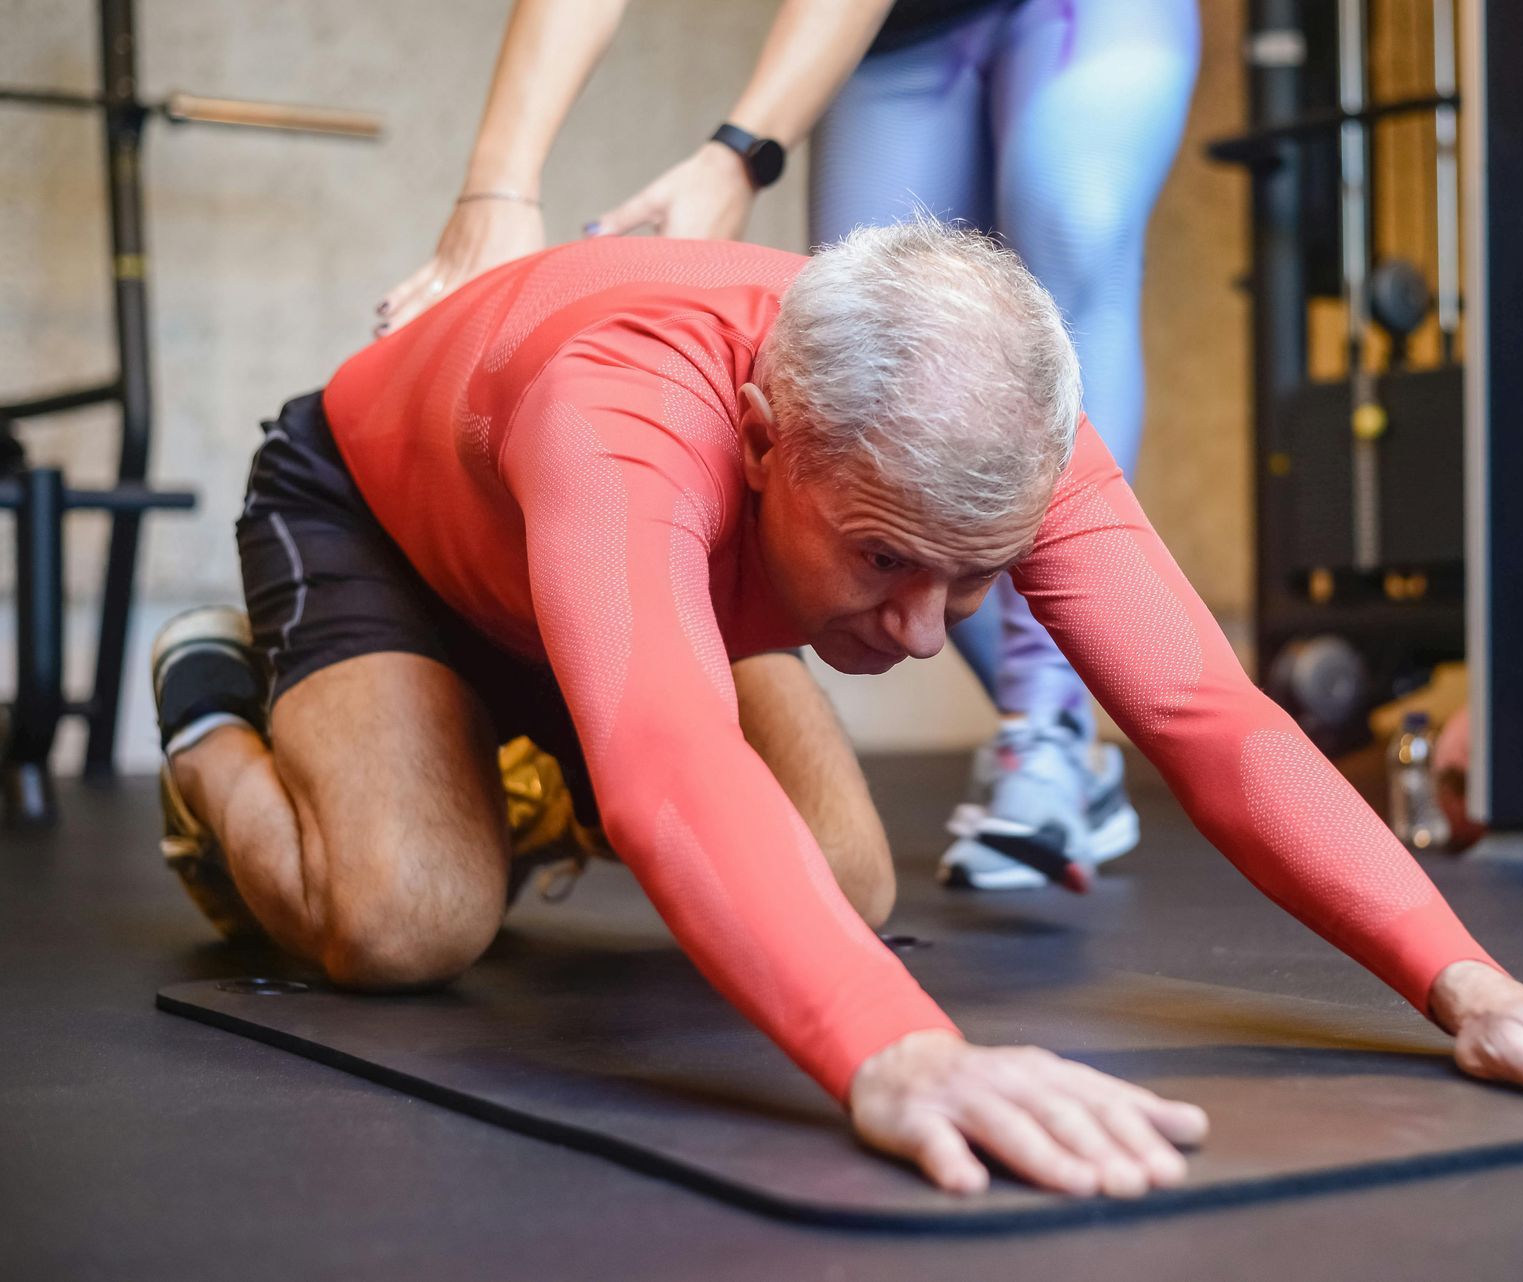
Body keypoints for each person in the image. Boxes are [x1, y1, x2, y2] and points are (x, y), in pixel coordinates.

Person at [157, 224, 1523, 1198]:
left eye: (975, 575)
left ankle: (499, 750)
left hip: (628, 581)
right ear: (761, 434)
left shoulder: (992, 439)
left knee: (846, 890)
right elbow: (665, 761)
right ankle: (220, 709)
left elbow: (1209, 715)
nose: (927, 636)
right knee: (401, 922)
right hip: (389, 520)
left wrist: (1472, 984)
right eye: (886, 563)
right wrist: (900, 1058)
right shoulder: (631, 409)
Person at [377, 0, 1202, 891]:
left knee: (1072, 213)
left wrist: (741, 151)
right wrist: (501, 191)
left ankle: (1046, 732)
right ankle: (1050, 726)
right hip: (902, 36)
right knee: (883, 401)